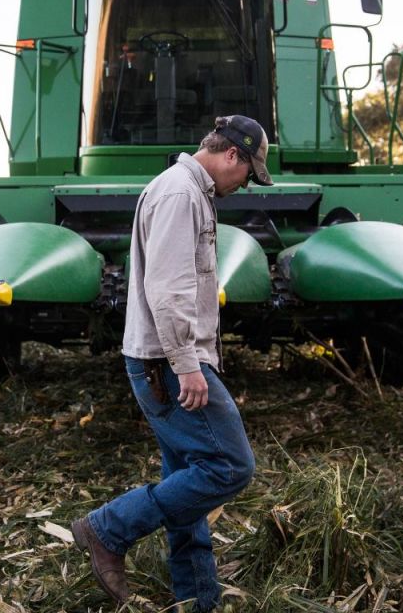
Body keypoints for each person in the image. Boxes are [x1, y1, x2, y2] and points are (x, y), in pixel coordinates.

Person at [71, 115, 273, 611]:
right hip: (168, 362)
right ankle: (107, 529)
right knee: (230, 466)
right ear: (232, 155)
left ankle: (196, 598)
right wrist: (187, 365)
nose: (245, 184)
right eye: (249, 173)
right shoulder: (182, 194)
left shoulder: (185, 189)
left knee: (189, 475)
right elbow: (168, 290)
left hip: (162, 358)